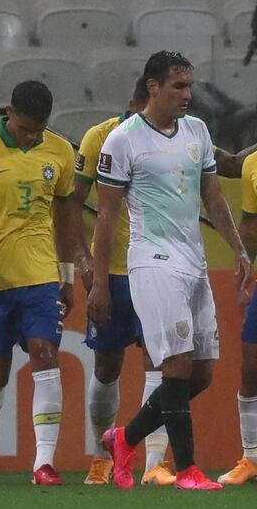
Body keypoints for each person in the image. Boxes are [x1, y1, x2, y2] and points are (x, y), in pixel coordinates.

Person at [76, 78, 257, 486]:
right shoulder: (120, 139)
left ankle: (125, 437)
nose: (188, 94)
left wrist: (239, 252)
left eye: (189, 86)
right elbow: (103, 215)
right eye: (178, 86)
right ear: (153, 89)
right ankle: (188, 469)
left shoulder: (196, 131)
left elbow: (214, 196)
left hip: (193, 261)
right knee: (172, 365)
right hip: (153, 261)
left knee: (202, 372)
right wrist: (98, 279)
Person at [0, 80, 76, 486]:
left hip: (40, 276)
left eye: (38, 130)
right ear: (8, 112)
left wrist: (68, 274)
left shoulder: (60, 151)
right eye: (24, 129)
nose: (31, 136)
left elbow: (66, 215)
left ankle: (43, 464)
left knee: (44, 353)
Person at [219, 149, 257, 484]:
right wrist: (244, 268)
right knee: (250, 366)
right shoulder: (253, 164)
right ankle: (252, 457)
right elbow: (250, 223)